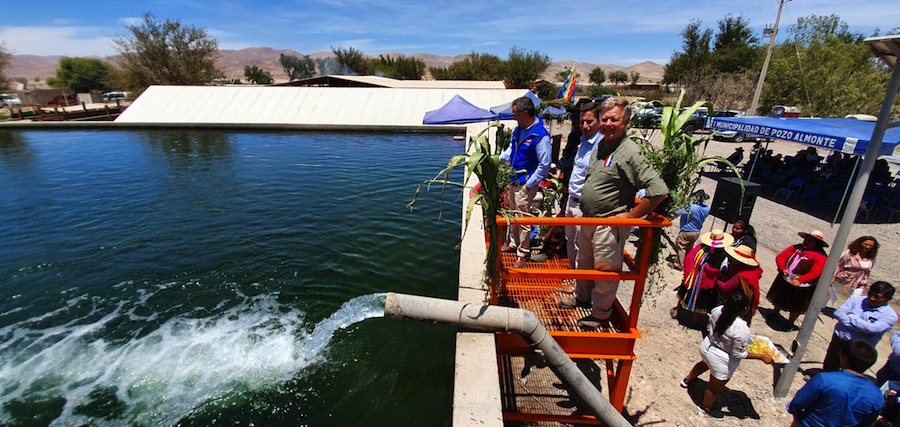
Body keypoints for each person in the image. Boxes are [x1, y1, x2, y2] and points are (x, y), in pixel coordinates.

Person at [558, 96, 668, 329]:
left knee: (604, 271)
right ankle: (582, 298)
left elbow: (659, 191)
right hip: (589, 219)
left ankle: (600, 314)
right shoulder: (602, 145)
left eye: (614, 120)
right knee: (584, 263)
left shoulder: (629, 152)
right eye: (605, 119)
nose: (608, 124)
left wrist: (631, 216)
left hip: (608, 225)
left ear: (625, 121)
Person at [680, 293, 774, 420]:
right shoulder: (741, 329)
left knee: (703, 364)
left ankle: (687, 380)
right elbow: (738, 353)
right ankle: (706, 407)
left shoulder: (717, 311)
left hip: (707, 346)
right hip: (721, 360)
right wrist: (762, 356)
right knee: (714, 388)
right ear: (745, 309)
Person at [553, 101, 603, 294]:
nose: (585, 126)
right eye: (582, 122)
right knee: (571, 240)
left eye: (589, 121)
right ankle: (574, 277)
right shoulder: (581, 140)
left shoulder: (601, 145)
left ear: (598, 121)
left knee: (583, 246)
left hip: (584, 205)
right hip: (572, 200)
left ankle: (581, 286)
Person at [499, 96, 552, 268]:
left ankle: (523, 252)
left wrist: (529, 185)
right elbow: (511, 150)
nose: (514, 117)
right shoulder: (519, 129)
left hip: (526, 183)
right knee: (513, 214)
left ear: (526, 112)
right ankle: (514, 243)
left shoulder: (540, 136)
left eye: (515, 113)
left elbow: (544, 165)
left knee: (523, 219)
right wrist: (497, 160)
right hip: (514, 179)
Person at [788, 340, 883, 427]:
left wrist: (798, 419)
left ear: (844, 358)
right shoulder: (877, 396)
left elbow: (797, 404)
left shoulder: (825, 379)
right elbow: (868, 423)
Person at [823, 281, 897, 372]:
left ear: (888, 299)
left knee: (851, 371)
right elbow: (838, 313)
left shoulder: (890, 316)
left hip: (859, 349)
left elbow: (871, 328)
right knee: (830, 365)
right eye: (870, 294)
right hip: (840, 339)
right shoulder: (856, 300)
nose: (872, 298)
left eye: (877, 297)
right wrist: (858, 328)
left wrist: (851, 316)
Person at [672, 229, 734, 332]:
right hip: (706, 283)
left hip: (692, 278)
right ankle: (694, 321)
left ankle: (676, 311)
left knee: (684, 294)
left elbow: (689, 259)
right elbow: (722, 271)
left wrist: (690, 273)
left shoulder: (699, 248)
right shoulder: (723, 257)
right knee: (700, 302)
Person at [766, 229, 829, 329]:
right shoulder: (795, 248)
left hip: (802, 284)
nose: (806, 242)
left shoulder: (821, 257)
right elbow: (780, 257)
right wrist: (783, 268)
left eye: (810, 241)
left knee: (796, 303)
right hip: (786, 277)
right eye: (806, 239)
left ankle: (790, 322)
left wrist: (800, 280)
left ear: (817, 244)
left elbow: (815, 272)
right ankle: (775, 312)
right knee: (780, 295)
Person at [717, 245, 763, 324]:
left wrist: (716, 278)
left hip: (737, 302)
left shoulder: (741, 275)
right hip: (747, 301)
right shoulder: (754, 271)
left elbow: (725, 287)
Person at [830, 236, 879, 305]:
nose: (867, 247)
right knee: (830, 294)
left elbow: (868, 271)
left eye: (870, 245)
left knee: (855, 299)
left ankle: (847, 310)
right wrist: (833, 276)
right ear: (860, 243)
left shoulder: (871, 258)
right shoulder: (849, 253)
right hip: (843, 278)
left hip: (859, 282)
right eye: (866, 244)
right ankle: (820, 307)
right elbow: (839, 265)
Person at [669, 190, 710, 271]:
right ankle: (687, 263)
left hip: (687, 230)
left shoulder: (691, 207)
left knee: (681, 247)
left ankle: (679, 265)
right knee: (689, 248)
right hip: (696, 231)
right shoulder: (706, 208)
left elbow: (677, 212)